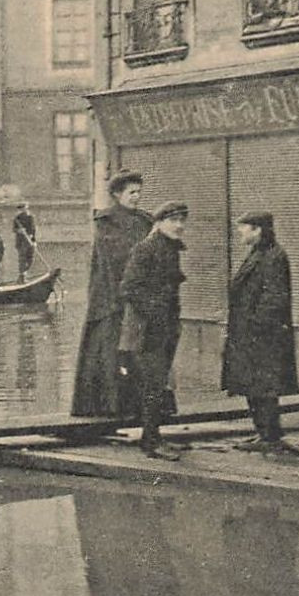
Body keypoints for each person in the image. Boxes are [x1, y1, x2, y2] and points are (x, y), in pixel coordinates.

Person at [72, 170, 154, 417]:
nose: (136, 197)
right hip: (111, 297)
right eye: (131, 193)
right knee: (109, 350)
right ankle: (109, 407)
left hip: (139, 296)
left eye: (139, 192)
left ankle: (140, 408)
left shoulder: (145, 221)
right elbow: (113, 260)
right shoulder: (105, 222)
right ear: (117, 194)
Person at [222, 211, 299, 451]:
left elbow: (274, 298)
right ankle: (264, 433)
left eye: (244, 228)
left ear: (258, 230)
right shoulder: (259, 253)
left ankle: (269, 436)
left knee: (263, 386)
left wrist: (255, 326)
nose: (240, 232)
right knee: (254, 384)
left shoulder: (273, 256)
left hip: (262, 336)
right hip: (251, 333)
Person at [120, 201, 188, 461]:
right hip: (149, 330)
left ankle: (156, 436)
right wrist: (155, 314)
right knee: (153, 383)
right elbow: (129, 288)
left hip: (167, 327)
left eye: (182, 220)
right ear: (158, 223)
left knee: (159, 384)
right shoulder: (146, 249)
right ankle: (151, 441)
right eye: (173, 220)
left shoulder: (170, 249)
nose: (179, 226)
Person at [12, 203, 38, 279]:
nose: (23, 210)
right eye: (21, 209)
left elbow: (33, 230)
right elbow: (14, 229)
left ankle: (24, 273)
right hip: (21, 241)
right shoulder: (17, 218)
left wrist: (34, 240)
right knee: (22, 259)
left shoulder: (31, 217)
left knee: (30, 259)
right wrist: (19, 230)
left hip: (29, 241)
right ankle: (22, 276)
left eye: (25, 208)